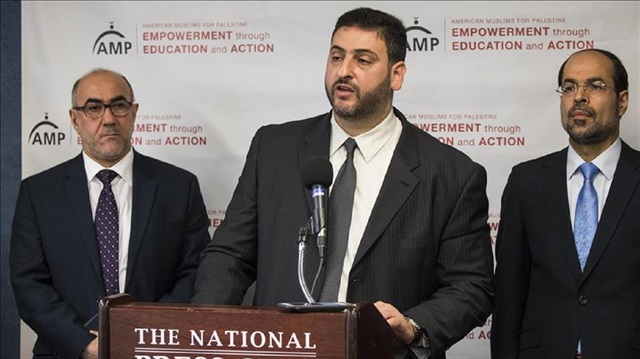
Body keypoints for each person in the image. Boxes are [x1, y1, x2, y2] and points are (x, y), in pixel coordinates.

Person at [192, 7, 493, 358]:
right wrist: (203, 333)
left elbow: (471, 286)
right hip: (280, 350)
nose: (344, 71)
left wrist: (412, 325)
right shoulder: (273, 148)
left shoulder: (451, 173)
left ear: (397, 75)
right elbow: (229, 255)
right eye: (337, 56)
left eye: (363, 60)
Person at [10, 68, 211, 359]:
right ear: (74, 119)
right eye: (93, 108)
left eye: (118, 105)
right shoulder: (38, 193)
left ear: (134, 112)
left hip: (153, 350)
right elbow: (28, 283)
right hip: (66, 352)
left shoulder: (179, 187)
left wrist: (145, 334)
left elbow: (195, 272)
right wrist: (82, 343)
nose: (108, 119)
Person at [491, 49, 638, 359]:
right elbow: (509, 295)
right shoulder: (526, 182)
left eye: (595, 86)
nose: (579, 97)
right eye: (569, 87)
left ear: (622, 101)